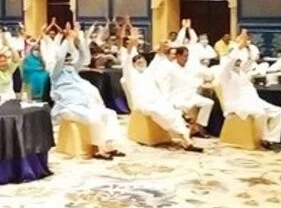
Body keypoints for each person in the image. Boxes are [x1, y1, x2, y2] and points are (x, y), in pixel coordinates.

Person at [122, 28, 202, 152]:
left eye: (142, 61)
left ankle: (186, 139)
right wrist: (131, 47)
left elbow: (158, 58)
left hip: (157, 100)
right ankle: (185, 138)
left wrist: (162, 48)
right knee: (161, 112)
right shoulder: (131, 75)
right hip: (143, 103)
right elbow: (127, 62)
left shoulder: (149, 72)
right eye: (138, 62)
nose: (141, 63)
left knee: (173, 112)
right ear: (134, 65)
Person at [50, 28, 124, 159]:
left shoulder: (73, 70)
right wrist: (68, 39)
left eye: (69, 59)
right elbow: (60, 57)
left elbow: (84, 57)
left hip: (85, 106)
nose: (68, 61)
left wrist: (78, 41)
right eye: (66, 60)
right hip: (68, 108)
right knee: (95, 119)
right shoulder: (55, 74)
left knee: (110, 114)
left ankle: (110, 146)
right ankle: (99, 149)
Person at [218, 31, 281, 150]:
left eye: (239, 60)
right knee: (261, 113)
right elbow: (231, 60)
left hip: (253, 101)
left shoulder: (241, 72)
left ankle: (271, 139)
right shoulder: (225, 73)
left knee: (278, 111)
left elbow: (251, 61)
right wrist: (239, 46)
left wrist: (246, 47)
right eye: (237, 60)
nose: (238, 62)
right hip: (237, 105)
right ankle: (263, 139)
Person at [164, 47, 214, 137]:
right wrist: (166, 100)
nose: (186, 58)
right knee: (185, 106)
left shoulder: (190, 67)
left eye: (187, 56)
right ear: (178, 56)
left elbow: (208, 75)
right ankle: (185, 131)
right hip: (176, 96)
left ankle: (199, 127)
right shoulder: (169, 68)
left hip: (190, 95)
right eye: (185, 56)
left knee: (209, 103)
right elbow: (165, 86)